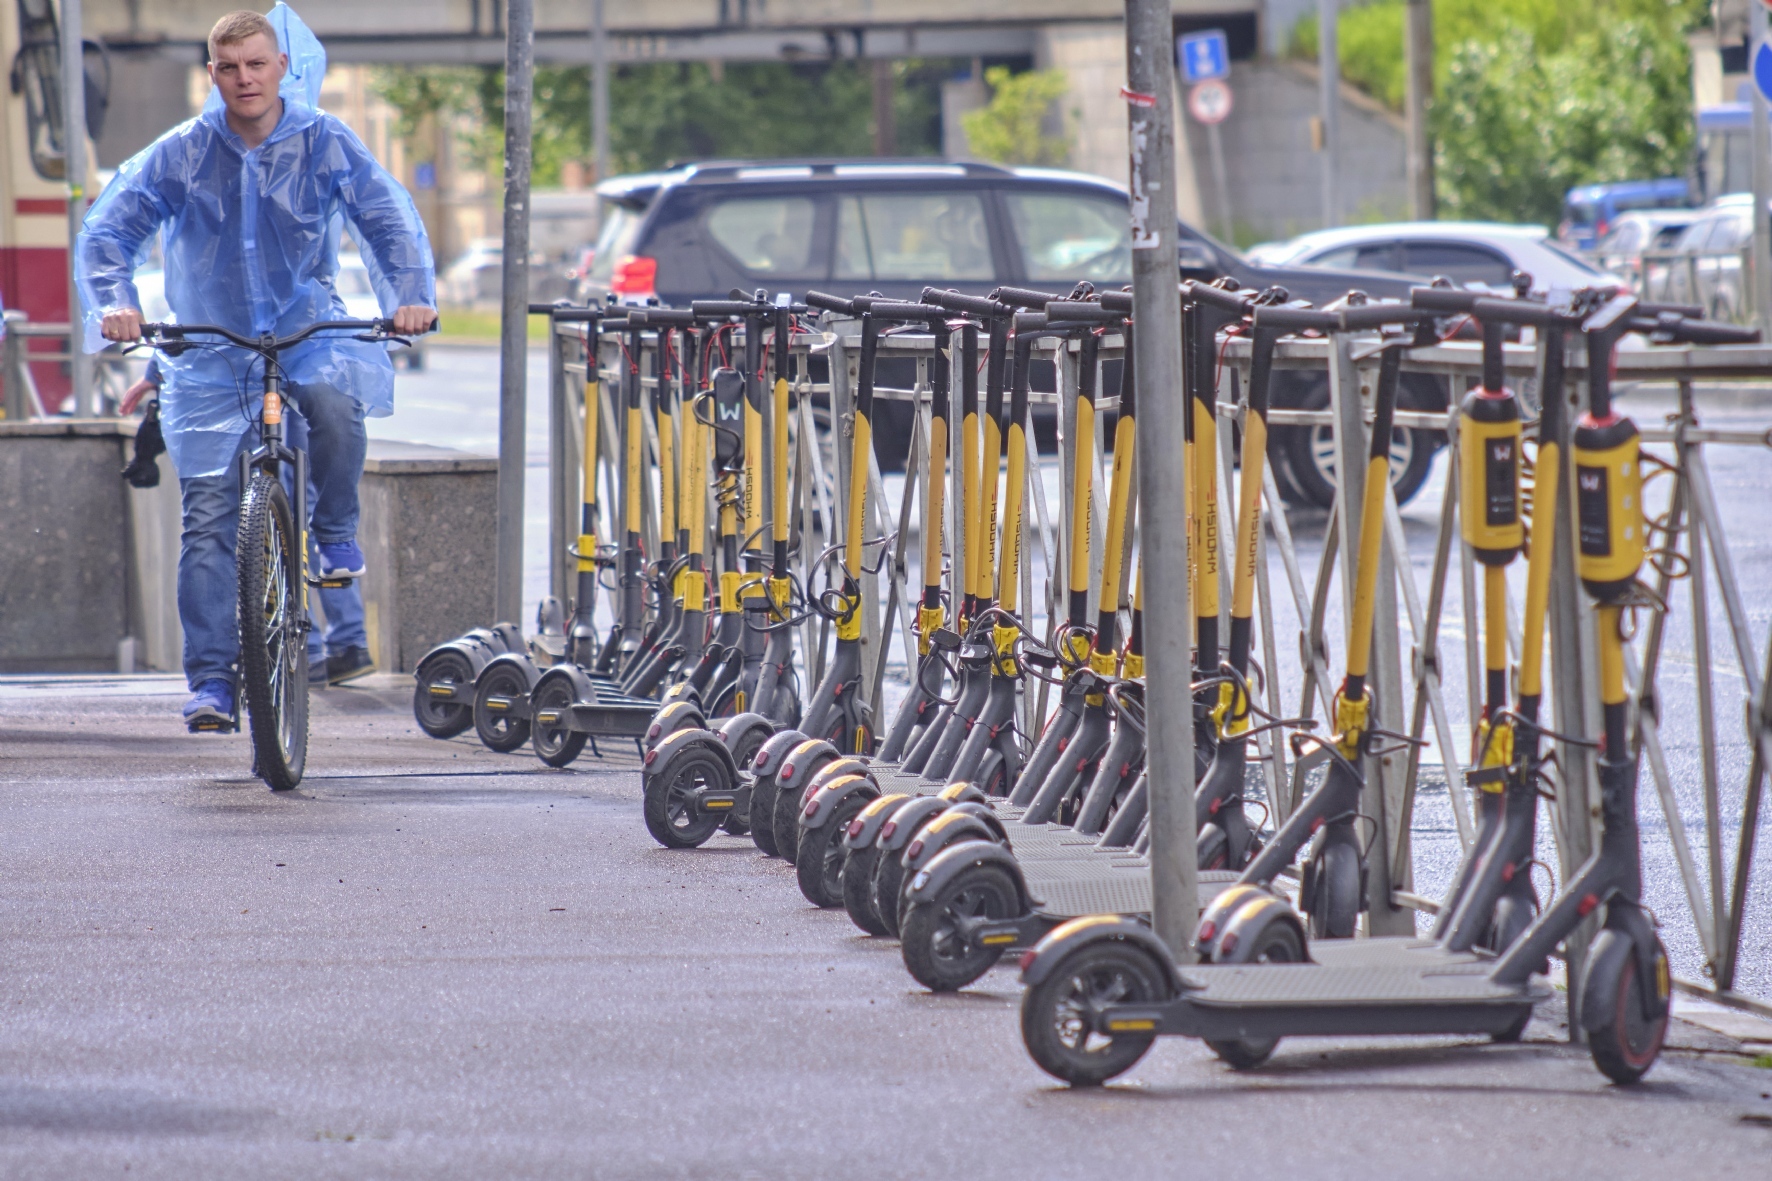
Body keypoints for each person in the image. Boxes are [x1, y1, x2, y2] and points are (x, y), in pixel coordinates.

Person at [78, 5, 434, 729]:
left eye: (257, 65)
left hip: (306, 333)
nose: (245, 79)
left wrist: (412, 299)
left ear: (281, 69)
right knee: (206, 520)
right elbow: (111, 229)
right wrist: (115, 303)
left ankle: (334, 534)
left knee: (335, 403)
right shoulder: (181, 152)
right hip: (209, 351)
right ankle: (211, 681)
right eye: (230, 68)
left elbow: (387, 220)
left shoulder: (325, 142)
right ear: (213, 75)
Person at [121, 361, 376, 687]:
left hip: (245, 361)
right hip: (288, 356)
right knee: (306, 493)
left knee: (290, 492)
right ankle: (348, 639)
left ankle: (313, 648)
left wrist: (157, 368)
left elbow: (201, 312)